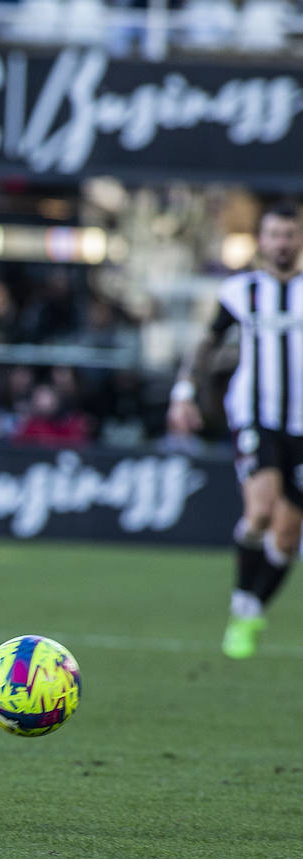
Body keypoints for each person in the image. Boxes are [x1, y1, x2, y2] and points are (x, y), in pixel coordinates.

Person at [167, 202, 303, 659]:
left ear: (299, 239)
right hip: (255, 416)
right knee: (261, 511)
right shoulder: (241, 290)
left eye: (289, 234)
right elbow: (207, 343)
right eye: (274, 234)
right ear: (261, 240)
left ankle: (250, 608)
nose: (281, 243)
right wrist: (184, 392)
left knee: (287, 537)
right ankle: (242, 600)